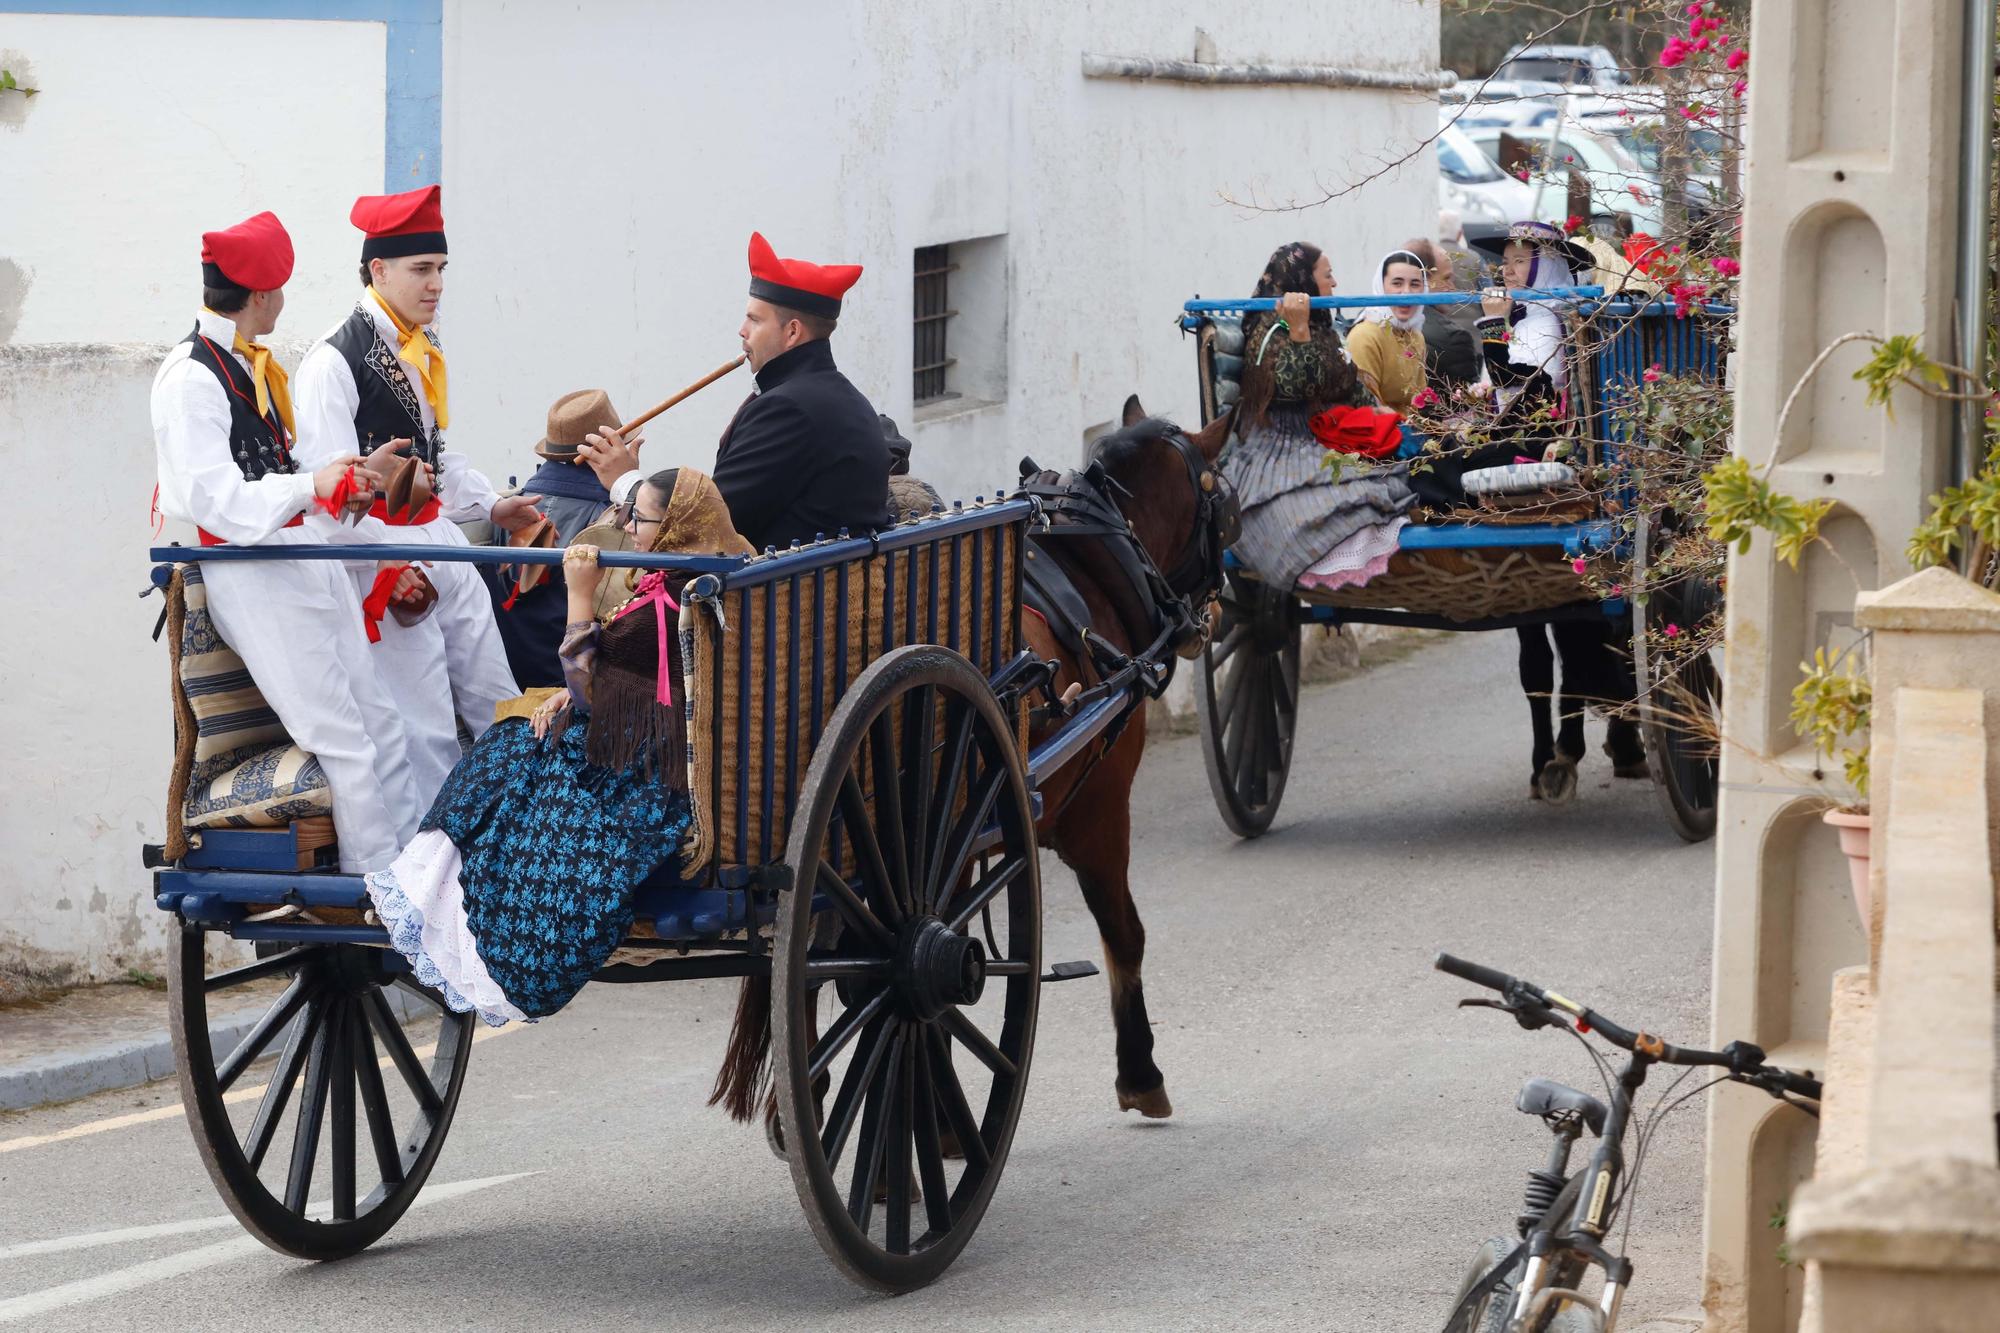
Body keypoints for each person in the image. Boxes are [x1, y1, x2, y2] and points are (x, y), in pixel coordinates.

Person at [363, 468, 753, 1024]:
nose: (628, 528)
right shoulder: (708, 577)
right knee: (514, 738)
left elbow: (589, 681)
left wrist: (580, 597)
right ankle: (434, 888)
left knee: (505, 749)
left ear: (672, 528)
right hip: (653, 759)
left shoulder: (665, 606)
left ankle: (435, 895)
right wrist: (571, 702)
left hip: (634, 781)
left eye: (637, 519)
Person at [151, 210, 421, 870]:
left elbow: (276, 474)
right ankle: (383, 914)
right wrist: (312, 487)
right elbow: (219, 501)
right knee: (349, 745)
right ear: (264, 294)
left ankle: (422, 887)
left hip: (299, 561)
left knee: (383, 725)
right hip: (256, 577)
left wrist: (352, 477)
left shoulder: (243, 365)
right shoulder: (191, 377)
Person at [293, 184, 530, 808]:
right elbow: (329, 491)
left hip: (438, 540)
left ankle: (516, 836)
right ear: (379, 270)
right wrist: (382, 563)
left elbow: (431, 457)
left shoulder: (419, 347)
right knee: (423, 722)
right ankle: (431, 872)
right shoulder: (332, 363)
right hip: (384, 556)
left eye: (441, 270)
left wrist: (490, 506)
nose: (436, 284)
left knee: (495, 695)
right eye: (422, 269)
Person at [588, 232, 891, 550]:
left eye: (754, 320)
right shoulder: (835, 395)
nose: (742, 331)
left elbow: (710, 525)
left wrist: (625, 480)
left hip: (785, 593)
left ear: (792, 332)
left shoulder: (789, 409)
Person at [1224, 241, 1416, 593]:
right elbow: (1296, 388)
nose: (1335, 283)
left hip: (1329, 431)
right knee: (1334, 501)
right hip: (1284, 442)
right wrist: (1298, 332)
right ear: (1302, 283)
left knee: (1404, 466)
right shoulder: (1269, 331)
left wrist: (1376, 409)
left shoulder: (1323, 326)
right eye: (1327, 275)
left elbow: (1343, 377)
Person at [481, 390, 633, 688]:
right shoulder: (614, 518)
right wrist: (628, 484)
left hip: (509, 677)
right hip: (575, 685)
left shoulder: (511, 508)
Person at [1344, 249, 1432, 415]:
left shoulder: (1416, 336)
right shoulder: (1365, 336)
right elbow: (1368, 407)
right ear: (1381, 286)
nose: (1406, 293)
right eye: (1397, 283)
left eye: (1414, 284)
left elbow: (1418, 402)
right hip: (1379, 432)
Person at [1402, 238, 1483, 390]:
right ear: (1422, 279)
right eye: (1446, 278)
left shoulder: (1370, 321)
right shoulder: (1454, 339)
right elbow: (1472, 404)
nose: (1452, 287)